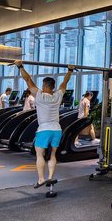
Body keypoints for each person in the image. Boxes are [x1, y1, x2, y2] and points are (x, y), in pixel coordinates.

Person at [14, 60, 74, 188]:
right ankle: (50, 177)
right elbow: (65, 82)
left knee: (40, 154)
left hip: (44, 129)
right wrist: (70, 70)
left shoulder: (39, 95)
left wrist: (20, 66)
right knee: (52, 154)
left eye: (42, 85)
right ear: (53, 86)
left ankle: (41, 179)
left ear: (44, 85)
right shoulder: (58, 95)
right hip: (57, 129)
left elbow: (27, 79)